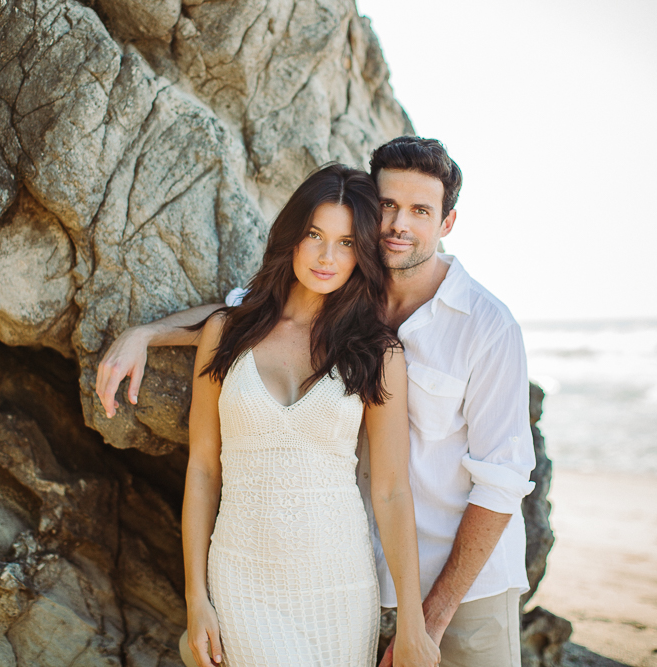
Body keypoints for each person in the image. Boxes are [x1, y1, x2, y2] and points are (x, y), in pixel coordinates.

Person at [97, 137, 536, 667]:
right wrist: (143, 334)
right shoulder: (347, 300)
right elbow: (239, 319)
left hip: (457, 581)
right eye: (389, 206)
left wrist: (429, 621)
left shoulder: (481, 328)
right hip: (335, 571)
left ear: (446, 223)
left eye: (420, 210)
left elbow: (498, 477)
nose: (399, 223)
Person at [179, 163, 438, 667]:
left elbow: (390, 489)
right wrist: (197, 597)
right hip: (240, 578)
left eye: (345, 243)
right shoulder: (226, 332)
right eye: (315, 235)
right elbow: (203, 469)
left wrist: (412, 622)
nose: (326, 256)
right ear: (291, 237)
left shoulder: (377, 352)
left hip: (337, 587)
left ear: (362, 253)